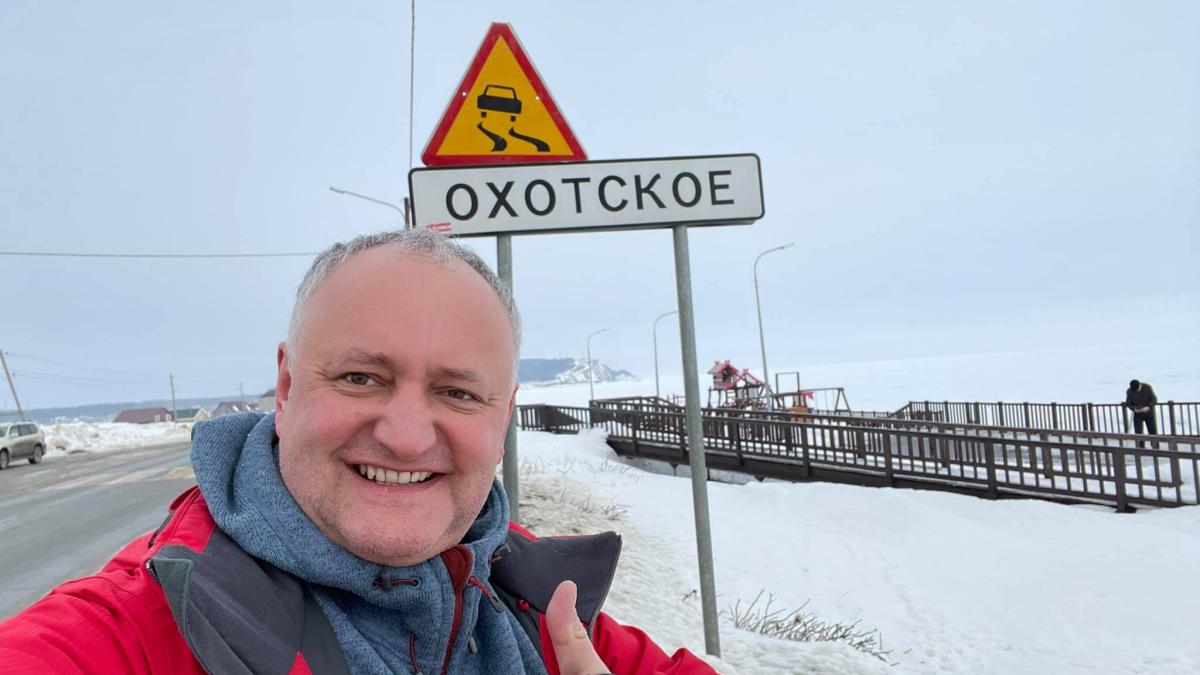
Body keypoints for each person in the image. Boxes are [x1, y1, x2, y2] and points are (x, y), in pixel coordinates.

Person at [0, 230, 715, 674]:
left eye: (459, 393)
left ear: (503, 414)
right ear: (285, 385)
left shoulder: (535, 603)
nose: (406, 434)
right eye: (360, 377)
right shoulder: (134, 630)